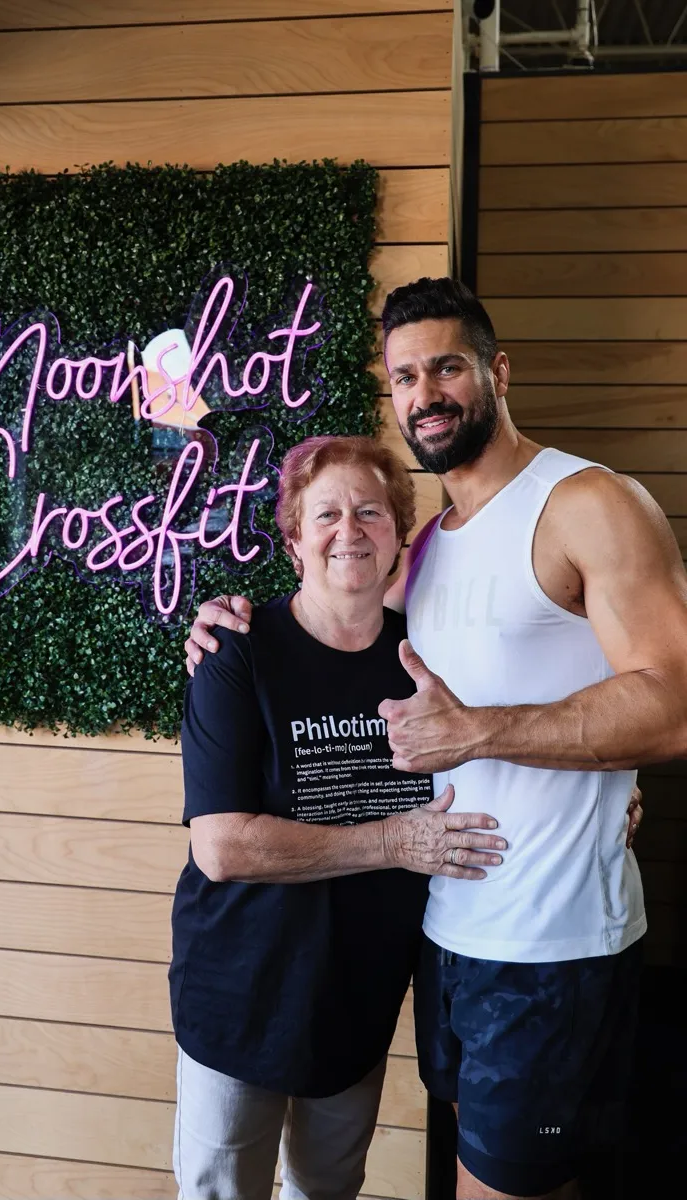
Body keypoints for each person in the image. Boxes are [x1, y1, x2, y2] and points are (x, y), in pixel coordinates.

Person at [184, 277, 662, 1200]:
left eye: (447, 366)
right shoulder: (431, 549)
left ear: (497, 371)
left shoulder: (586, 502)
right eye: (406, 375)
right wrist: (216, 621)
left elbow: (666, 703)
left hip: (546, 942)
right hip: (438, 942)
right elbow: (339, 600)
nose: (426, 392)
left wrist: (586, 771)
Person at [169, 434, 507, 1200]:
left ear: (398, 539)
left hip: (357, 999)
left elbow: (502, 756)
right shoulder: (236, 655)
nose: (348, 531)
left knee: (326, 1191)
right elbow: (221, 847)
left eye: (369, 512)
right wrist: (394, 841)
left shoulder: (432, 659)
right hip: (239, 998)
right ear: (293, 542)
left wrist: (609, 798)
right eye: (325, 515)